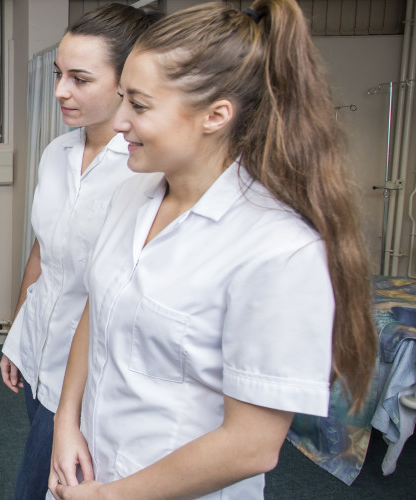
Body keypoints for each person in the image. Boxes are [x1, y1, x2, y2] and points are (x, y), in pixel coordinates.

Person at [48, 2, 377, 499]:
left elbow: (251, 446)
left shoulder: (279, 250)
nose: (119, 122)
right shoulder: (132, 194)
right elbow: (97, 309)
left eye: (138, 105)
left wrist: (112, 496)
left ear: (216, 115)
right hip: (89, 470)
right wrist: (66, 423)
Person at [0, 5, 161, 499]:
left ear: (126, 82)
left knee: (45, 485)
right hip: (38, 348)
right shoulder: (56, 153)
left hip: (91, 371)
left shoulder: (146, 171)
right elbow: (43, 251)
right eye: (58, 74)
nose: (60, 91)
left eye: (79, 78)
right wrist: (18, 329)